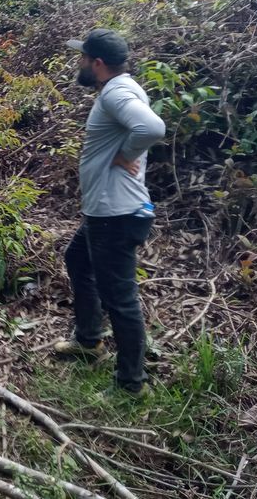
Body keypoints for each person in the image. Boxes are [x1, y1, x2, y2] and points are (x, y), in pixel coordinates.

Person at [53, 29, 166, 398]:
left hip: (116, 214)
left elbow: (151, 127)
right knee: (78, 261)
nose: (80, 63)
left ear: (97, 63)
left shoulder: (116, 91)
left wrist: (127, 154)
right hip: (107, 211)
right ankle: (89, 340)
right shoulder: (122, 88)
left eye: (83, 57)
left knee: (120, 297)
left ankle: (131, 384)